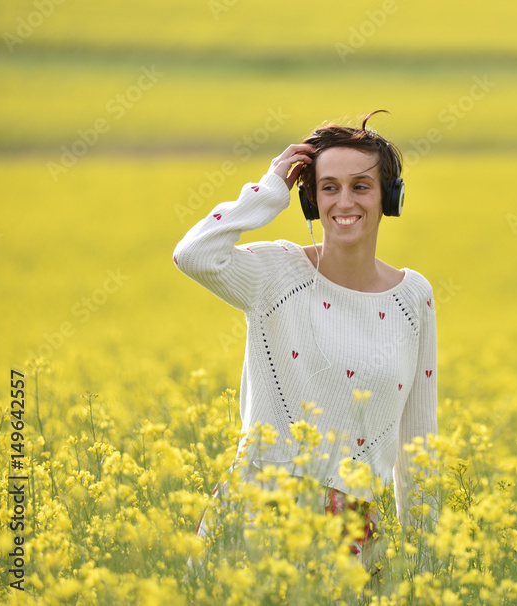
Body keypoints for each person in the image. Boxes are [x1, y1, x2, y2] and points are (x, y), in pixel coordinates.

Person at [174, 110, 439, 577]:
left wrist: (426, 560)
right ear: (311, 199)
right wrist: (269, 190)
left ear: (389, 197)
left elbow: (418, 443)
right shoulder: (276, 272)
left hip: (350, 534)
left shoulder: (413, 297)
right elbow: (193, 255)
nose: (344, 202)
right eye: (329, 187)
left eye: (361, 186)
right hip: (253, 517)